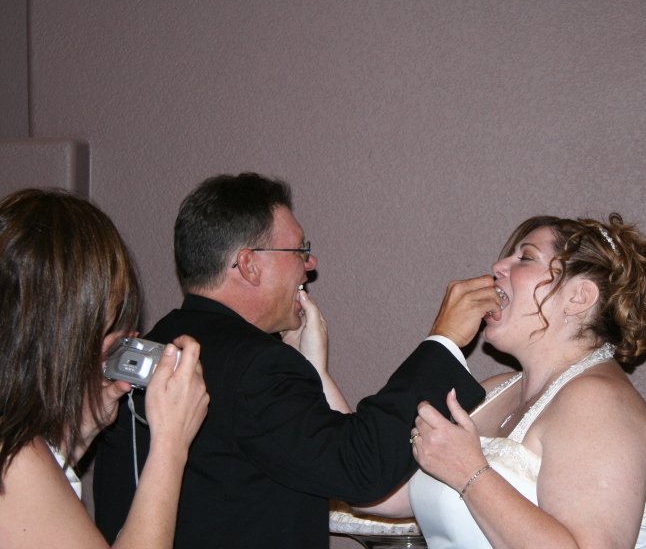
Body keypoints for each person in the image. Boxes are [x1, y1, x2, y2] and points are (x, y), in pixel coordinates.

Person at [93, 172, 498, 548]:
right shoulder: (257, 365)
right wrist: (444, 340)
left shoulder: (151, 346)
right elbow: (361, 466)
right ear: (250, 265)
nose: (310, 264)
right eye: (300, 250)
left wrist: (313, 368)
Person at [364, 214, 646, 548]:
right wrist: (320, 378)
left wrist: (469, 472)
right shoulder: (494, 391)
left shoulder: (599, 403)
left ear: (579, 297)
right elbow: (379, 487)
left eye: (526, 257)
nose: (498, 266)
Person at [0, 188, 209, 549]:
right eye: (106, 324)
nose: (115, 342)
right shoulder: (13, 459)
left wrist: (75, 436)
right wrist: (170, 444)